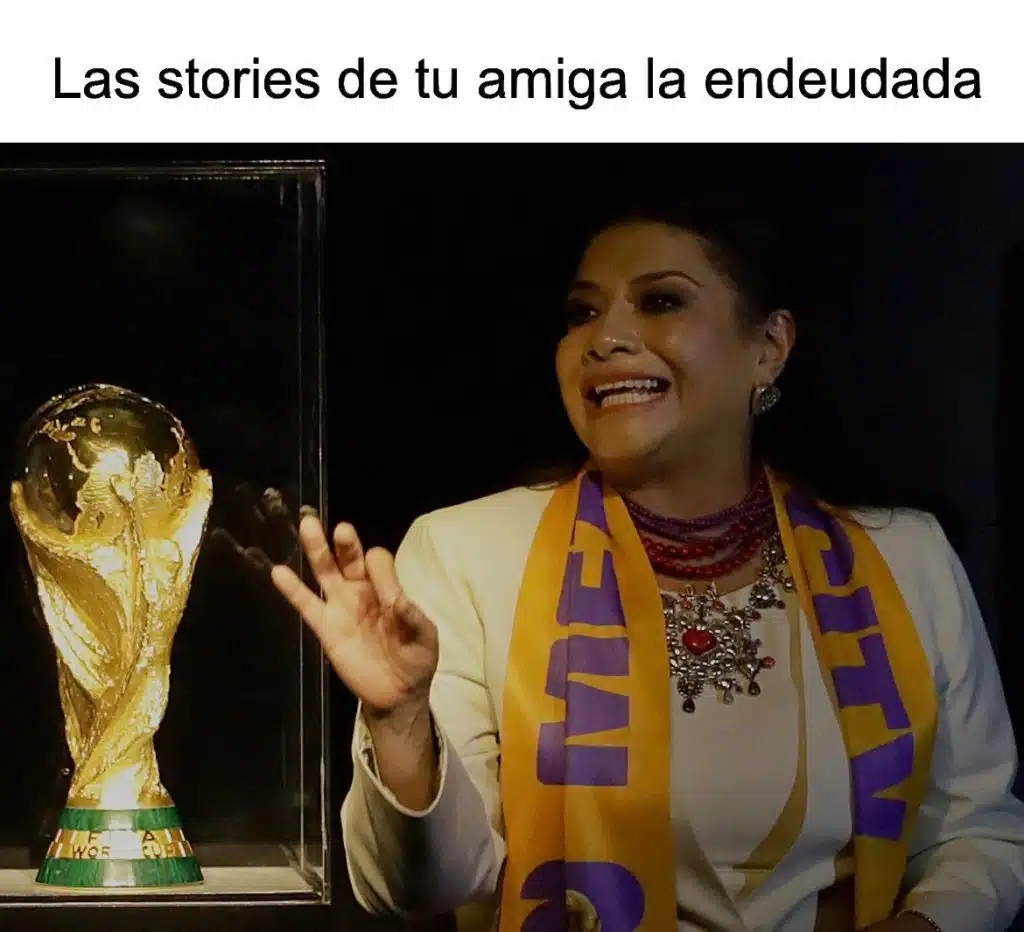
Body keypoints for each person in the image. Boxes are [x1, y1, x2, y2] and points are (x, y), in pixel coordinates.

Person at [271, 194, 1024, 932]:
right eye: (583, 313)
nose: (605, 338)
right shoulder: (468, 553)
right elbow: (419, 891)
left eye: (661, 301)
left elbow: (982, 834)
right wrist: (401, 723)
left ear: (769, 347)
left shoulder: (905, 557)